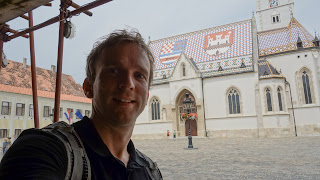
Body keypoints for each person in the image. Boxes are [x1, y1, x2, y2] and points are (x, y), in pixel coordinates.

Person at [0, 29, 162, 180]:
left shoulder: (151, 171)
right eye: (113, 71)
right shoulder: (42, 150)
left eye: (139, 75)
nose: (128, 83)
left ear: (147, 95)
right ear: (88, 88)